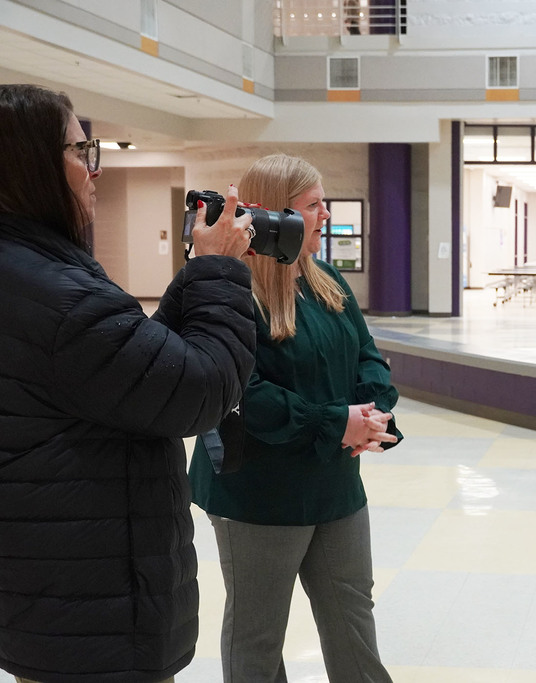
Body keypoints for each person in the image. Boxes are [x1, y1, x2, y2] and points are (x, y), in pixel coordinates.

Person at [0, 84, 257, 682]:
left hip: (48, 590)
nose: (96, 168)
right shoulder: (58, 297)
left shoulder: (31, 274)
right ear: (34, 164)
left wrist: (195, 275)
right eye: (80, 150)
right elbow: (199, 390)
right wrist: (219, 270)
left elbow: (130, 373)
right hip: (95, 608)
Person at [189, 153, 403, 683]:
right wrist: (337, 423)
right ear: (275, 217)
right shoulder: (232, 289)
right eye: (313, 205)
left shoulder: (326, 280)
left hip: (334, 487)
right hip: (258, 491)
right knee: (258, 636)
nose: (325, 215)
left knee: (352, 617)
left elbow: (368, 356)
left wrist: (374, 414)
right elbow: (245, 394)